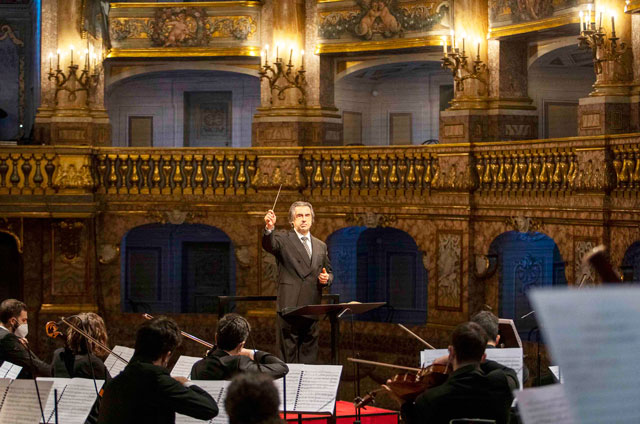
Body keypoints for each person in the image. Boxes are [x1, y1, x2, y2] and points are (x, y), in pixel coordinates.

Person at [98, 316, 218, 424]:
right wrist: (185, 382)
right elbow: (210, 408)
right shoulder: (159, 382)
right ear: (166, 355)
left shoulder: (114, 384)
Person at [396, 322, 518, 424]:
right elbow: (509, 372)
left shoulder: (429, 399)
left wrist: (404, 405)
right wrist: (476, 355)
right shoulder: (503, 385)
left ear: (451, 351)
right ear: (483, 357)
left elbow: (416, 420)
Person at [263, 201, 333, 363]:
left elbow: (329, 271)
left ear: (312, 219)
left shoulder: (320, 245)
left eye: (307, 215)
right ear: (292, 221)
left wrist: (327, 278)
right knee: (287, 358)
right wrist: (269, 228)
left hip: (312, 308)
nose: (303, 219)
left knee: (309, 357)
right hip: (290, 308)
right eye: (299, 216)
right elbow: (269, 244)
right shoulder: (282, 238)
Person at [51, 313, 111, 424]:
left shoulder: (58, 355)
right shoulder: (93, 363)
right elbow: (111, 393)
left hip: (60, 418)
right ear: (98, 335)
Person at [191, 313, 288, 380]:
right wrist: (251, 352)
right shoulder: (239, 364)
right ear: (241, 345)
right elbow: (282, 367)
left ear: (216, 337)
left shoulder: (197, 367)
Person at [0, 298, 51, 378]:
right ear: (13, 321)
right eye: (24, 320)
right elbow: (32, 364)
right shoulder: (7, 338)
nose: (26, 323)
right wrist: (56, 372)